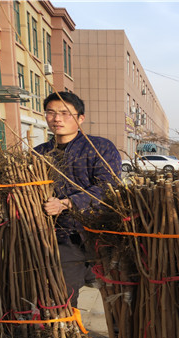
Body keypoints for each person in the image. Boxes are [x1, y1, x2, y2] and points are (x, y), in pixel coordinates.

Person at [34, 91, 122, 307]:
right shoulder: (39, 153)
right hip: (62, 234)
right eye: (51, 113)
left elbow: (108, 187)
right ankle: (72, 335)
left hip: (101, 232)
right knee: (64, 294)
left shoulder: (99, 148)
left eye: (65, 113)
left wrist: (66, 203)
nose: (57, 118)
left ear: (80, 118)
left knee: (116, 292)